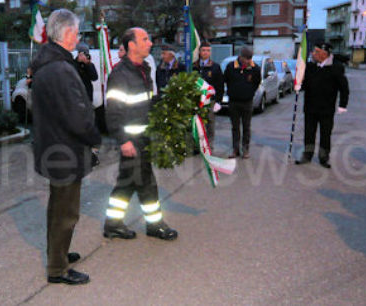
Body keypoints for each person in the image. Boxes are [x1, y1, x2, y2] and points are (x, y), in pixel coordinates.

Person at [30, 9, 101, 285]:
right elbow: (77, 116)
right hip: (65, 151)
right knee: (66, 213)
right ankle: (57, 268)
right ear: (68, 33)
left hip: (54, 147)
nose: (79, 37)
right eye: (77, 32)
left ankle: (57, 254)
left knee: (57, 209)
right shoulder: (60, 68)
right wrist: (94, 136)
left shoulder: (48, 64)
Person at [103, 27, 178, 241]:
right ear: (131, 45)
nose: (150, 43)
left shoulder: (144, 69)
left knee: (126, 184)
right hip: (132, 141)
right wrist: (123, 141)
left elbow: (147, 102)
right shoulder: (120, 74)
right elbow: (113, 112)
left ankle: (112, 224)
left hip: (144, 138)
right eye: (144, 39)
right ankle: (155, 225)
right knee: (146, 184)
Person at [295, 42, 349, 168]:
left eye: (316, 52)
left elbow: (344, 88)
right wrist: (299, 86)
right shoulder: (310, 66)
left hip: (327, 109)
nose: (313, 54)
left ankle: (324, 157)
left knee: (325, 134)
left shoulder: (336, 68)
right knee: (309, 133)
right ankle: (307, 155)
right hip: (310, 108)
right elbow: (305, 84)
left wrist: (342, 105)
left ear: (323, 54)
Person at [223, 46, 261, 159]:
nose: (249, 61)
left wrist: (249, 93)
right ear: (240, 57)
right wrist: (233, 92)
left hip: (247, 102)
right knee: (235, 127)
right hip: (234, 102)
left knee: (246, 127)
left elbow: (256, 83)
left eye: (250, 58)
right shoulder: (230, 67)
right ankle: (235, 149)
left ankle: (245, 149)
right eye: (246, 58)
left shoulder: (255, 69)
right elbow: (226, 80)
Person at [193, 41, 224, 152]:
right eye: (203, 50)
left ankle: (209, 147)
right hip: (196, 100)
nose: (206, 53)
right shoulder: (194, 66)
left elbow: (220, 85)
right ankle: (198, 147)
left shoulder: (215, 67)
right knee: (197, 123)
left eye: (208, 50)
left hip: (210, 101)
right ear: (200, 52)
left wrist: (218, 101)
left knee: (210, 124)